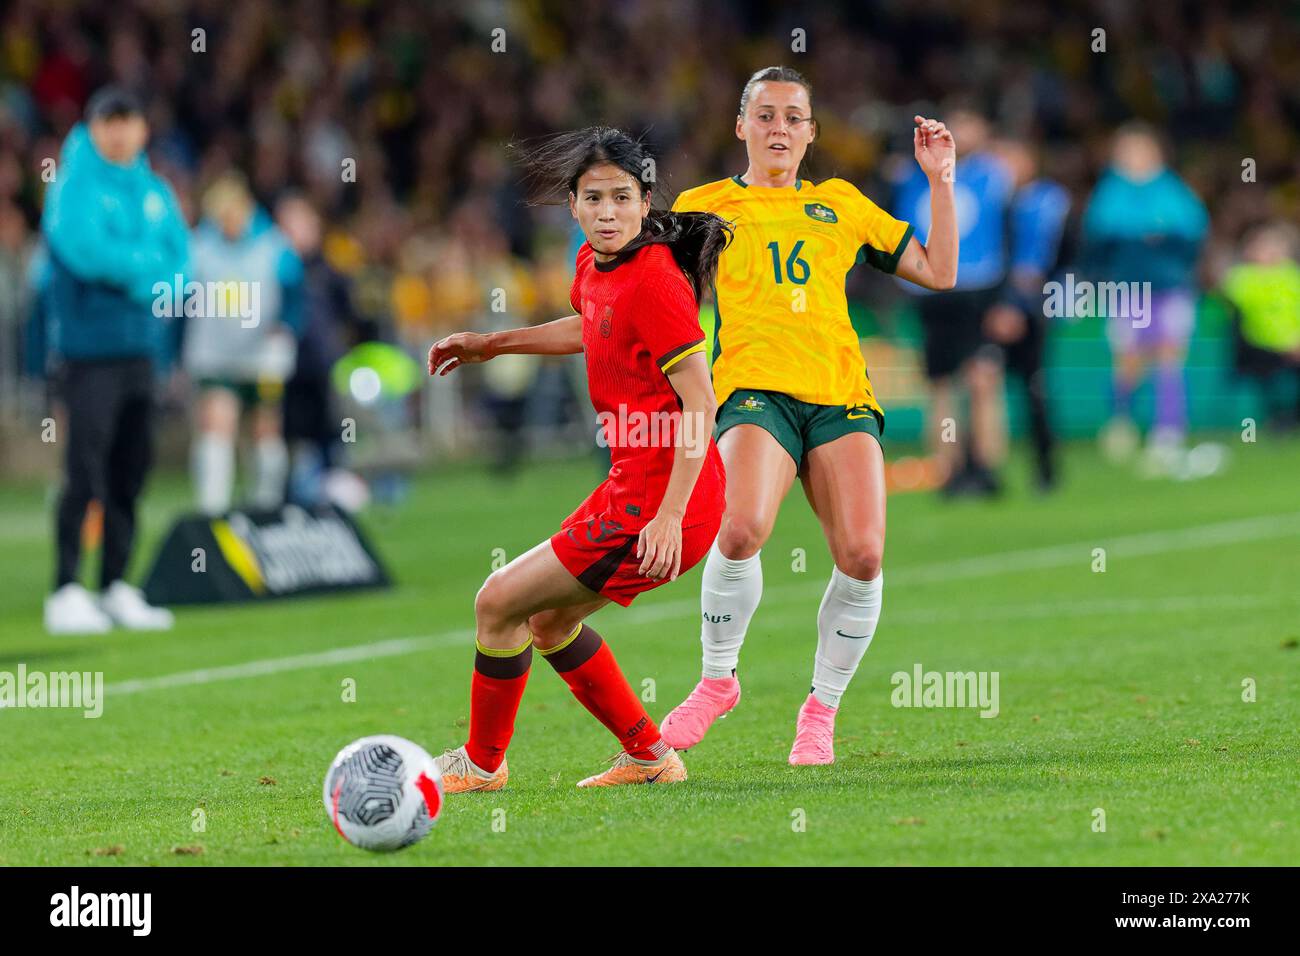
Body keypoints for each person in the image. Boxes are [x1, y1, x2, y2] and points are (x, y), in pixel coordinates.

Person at [663, 66, 958, 765]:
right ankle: (715, 682)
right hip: (752, 391)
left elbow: (940, 272)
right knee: (739, 527)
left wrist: (940, 181)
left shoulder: (841, 203)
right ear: (740, 126)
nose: (779, 129)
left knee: (862, 555)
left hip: (840, 396)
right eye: (765, 115)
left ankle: (819, 710)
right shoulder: (701, 206)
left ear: (812, 133)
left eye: (794, 117)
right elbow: (658, 297)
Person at [426, 128, 731, 789]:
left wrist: (670, 516)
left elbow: (700, 404)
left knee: (496, 603)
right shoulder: (595, 266)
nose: (608, 212)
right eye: (594, 198)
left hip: (661, 498)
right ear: (573, 205)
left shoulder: (655, 280)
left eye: (622, 198)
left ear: (646, 201)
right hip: (635, 486)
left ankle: (481, 766)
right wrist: (494, 343)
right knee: (548, 620)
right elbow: (591, 325)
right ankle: (650, 757)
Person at [41, 86, 189, 634]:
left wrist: (142, 274)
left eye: (129, 121)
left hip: (141, 352)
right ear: (93, 127)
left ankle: (116, 585)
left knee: (131, 471)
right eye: (110, 122)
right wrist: (148, 273)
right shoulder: (72, 187)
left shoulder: (156, 191)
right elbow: (87, 254)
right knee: (84, 471)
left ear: (143, 130)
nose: (120, 132)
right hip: (88, 354)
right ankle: (65, 589)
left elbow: (183, 265)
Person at [891, 107, 1013, 497]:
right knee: (941, 384)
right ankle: (948, 471)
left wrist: (1009, 298)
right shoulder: (916, 175)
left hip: (981, 288)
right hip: (932, 292)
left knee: (983, 379)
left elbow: (1010, 234)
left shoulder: (996, 175)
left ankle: (986, 469)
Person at [1084, 122, 1209, 476]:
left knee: (1169, 355)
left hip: (1169, 287)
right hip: (1128, 290)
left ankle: (1168, 431)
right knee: (1129, 359)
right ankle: (1120, 423)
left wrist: (1161, 240)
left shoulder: (1173, 190)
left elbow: (1191, 233)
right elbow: (1098, 239)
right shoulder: (1109, 192)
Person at [183, 173, 303, 515]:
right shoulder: (199, 249)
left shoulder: (274, 247)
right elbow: (181, 300)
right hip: (215, 354)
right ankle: (212, 510)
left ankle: (266, 506)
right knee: (216, 424)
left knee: (265, 428)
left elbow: (295, 297)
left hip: (263, 356)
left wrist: (285, 328)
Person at [981, 136, 1073, 492]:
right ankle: (984, 470)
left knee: (1032, 387)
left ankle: (1045, 467)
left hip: (1029, 309)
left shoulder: (1045, 200)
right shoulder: (995, 202)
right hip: (995, 305)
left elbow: (1033, 264)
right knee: (984, 383)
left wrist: (1015, 307)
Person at [1219, 222, 1300, 430]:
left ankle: (1290, 418)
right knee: (1273, 372)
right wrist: (1285, 343)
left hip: (1293, 345)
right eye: (1263, 247)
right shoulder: (1242, 278)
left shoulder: (1292, 277)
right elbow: (1256, 322)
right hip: (1258, 346)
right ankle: (1278, 418)